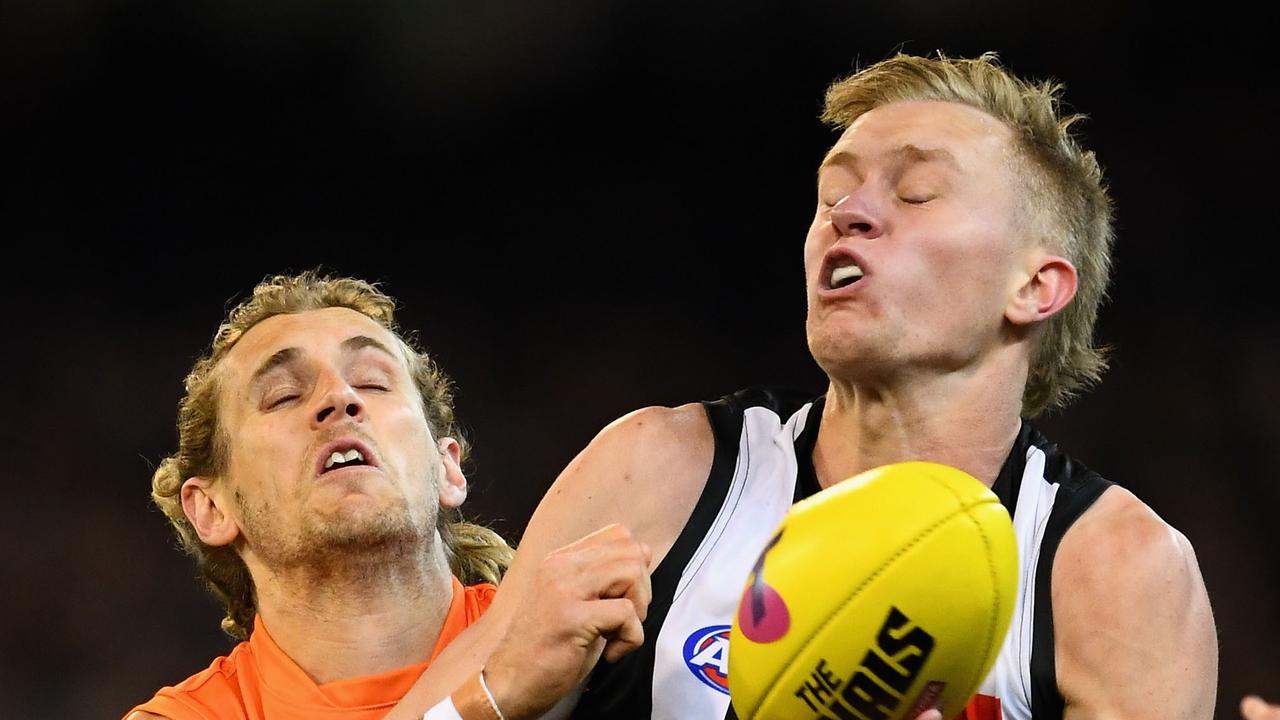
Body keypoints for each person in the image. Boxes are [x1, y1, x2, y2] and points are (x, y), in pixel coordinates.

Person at [385, 52, 1219, 720]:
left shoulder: (1115, 572)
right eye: (833, 192)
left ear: (1036, 287)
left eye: (917, 190)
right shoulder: (662, 472)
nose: (849, 211)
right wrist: (491, 703)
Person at [125, 272, 652, 720]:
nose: (340, 397)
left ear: (447, 467)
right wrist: (490, 697)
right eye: (284, 395)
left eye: (374, 382)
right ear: (212, 508)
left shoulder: (592, 639)